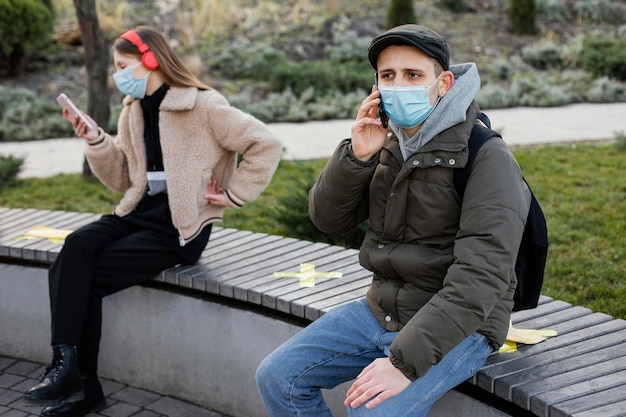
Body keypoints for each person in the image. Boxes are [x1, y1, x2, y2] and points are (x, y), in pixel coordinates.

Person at [255, 24, 531, 416]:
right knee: (278, 378)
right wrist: (357, 156)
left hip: (462, 325)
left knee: (370, 411)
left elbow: (481, 278)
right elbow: (327, 220)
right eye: (388, 76)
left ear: (444, 83)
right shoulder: (388, 141)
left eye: (413, 75)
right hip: (382, 308)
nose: (398, 86)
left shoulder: (486, 157)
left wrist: (402, 363)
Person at [23, 25, 282, 417]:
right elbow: (124, 179)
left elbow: (266, 143)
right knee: (75, 247)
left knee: (81, 279)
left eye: (123, 65)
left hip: (179, 228)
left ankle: (78, 383)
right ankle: (67, 368)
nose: (117, 74)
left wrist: (232, 194)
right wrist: (96, 140)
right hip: (138, 212)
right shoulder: (132, 111)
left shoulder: (203, 105)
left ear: (150, 60)